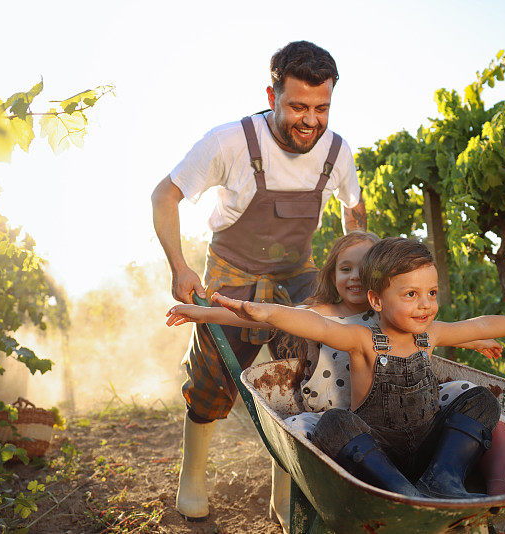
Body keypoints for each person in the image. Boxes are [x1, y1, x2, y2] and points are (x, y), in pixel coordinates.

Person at [167, 237, 505, 499]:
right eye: (412, 294)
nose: (425, 304)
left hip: (426, 437)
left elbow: (478, 323)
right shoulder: (358, 336)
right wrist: (239, 310)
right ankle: (400, 491)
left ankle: (443, 479)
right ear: (380, 298)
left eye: (430, 294)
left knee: (481, 399)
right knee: (333, 423)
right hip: (378, 443)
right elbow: (298, 322)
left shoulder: (425, 332)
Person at [150, 41, 367, 520]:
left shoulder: (336, 151)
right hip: (232, 269)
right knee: (213, 373)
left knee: (311, 372)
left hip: (299, 273)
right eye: (297, 106)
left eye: (321, 108)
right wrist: (180, 268)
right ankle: (192, 475)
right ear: (271, 95)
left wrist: (361, 263)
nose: (310, 120)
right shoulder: (230, 142)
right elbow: (164, 196)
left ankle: (286, 486)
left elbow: (353, 207)